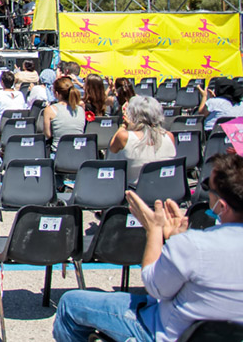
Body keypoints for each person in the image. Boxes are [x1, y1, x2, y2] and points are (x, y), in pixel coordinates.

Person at [53, 152, 243, 342]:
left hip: (166, 332)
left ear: (222, 206)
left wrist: (154, 231)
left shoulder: (194, 245)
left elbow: (156, 288)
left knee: (70, 304)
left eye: (207, 186)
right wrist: (176, 240)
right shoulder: (193, 245)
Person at [108, 95, 177, 185]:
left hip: (135, 190)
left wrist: (124, 125)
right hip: (164, 188)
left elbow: (111, 149)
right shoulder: (169, 136)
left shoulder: (124, 137)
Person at [42, 76, 85, 153]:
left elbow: (48, 135)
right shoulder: (80, 109)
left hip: (58, 153)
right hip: (79, 152)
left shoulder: (50, 110)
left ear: (56, 93)